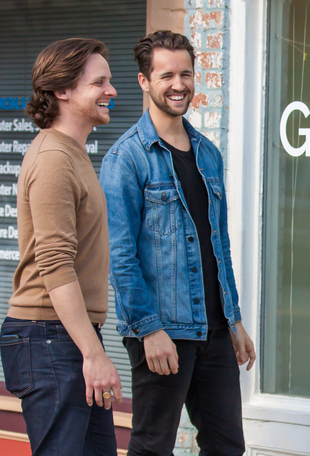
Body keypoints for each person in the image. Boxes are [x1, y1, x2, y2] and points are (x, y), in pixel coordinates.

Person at [100, 30, 254, 456]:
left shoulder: (208, 153)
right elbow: (121, 257)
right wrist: (149, 330)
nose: (179, 84)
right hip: (163, 329)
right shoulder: (126, 158)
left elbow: (216, 244)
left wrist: (234, 318)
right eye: (167, 75)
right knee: (153, 447)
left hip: (215, 329)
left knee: (227, 447)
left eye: (186, 73)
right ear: (145, 81)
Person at [0, 38, 122, 455]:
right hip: (51, 338)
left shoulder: (74, 153)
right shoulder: (53, 158)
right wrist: (93, 354)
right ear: (62, 91)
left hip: (67, 337)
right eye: (99, 82)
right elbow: (55, 264)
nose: (112, 90)